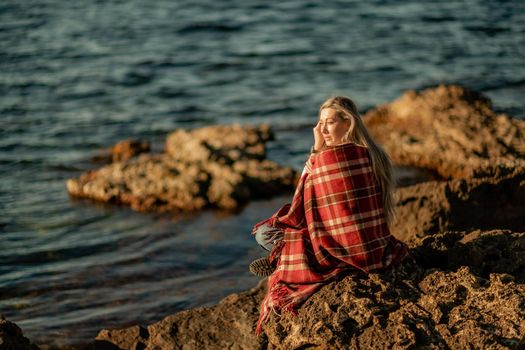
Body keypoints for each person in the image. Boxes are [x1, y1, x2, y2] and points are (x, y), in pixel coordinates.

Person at [249, 96, 409, 335]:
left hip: (336, 249)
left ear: (348, 123)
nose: (323, 129)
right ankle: (280, 261)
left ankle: (279, 262)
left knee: (264, 234)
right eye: (320, 123)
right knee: (284, 234)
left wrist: (315, 151)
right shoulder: (373, 155)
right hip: (374, 246)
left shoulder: (328, 159)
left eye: (330, 122)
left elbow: (298, 206)